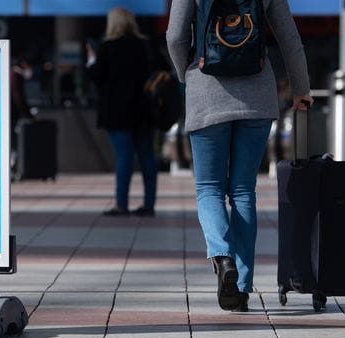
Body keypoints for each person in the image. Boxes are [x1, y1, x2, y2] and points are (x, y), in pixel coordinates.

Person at [166, 0, 313, 311]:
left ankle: (222, 257)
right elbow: (290, 38)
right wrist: (301, 88)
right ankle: (242, 287)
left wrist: (187, 74)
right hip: (257, 93)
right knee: (244, 191)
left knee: (209, 188)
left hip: (206, 91)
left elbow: (175, 37)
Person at [87, 7, 158, 217]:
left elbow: (96, 76)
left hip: (116, 111)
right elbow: (161, 68)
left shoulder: (107, 47)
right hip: (144, 109)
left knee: (124, 156)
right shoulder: (145, 45)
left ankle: (121, 204)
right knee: (147, 156)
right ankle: (149, 204)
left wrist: (91, 61)